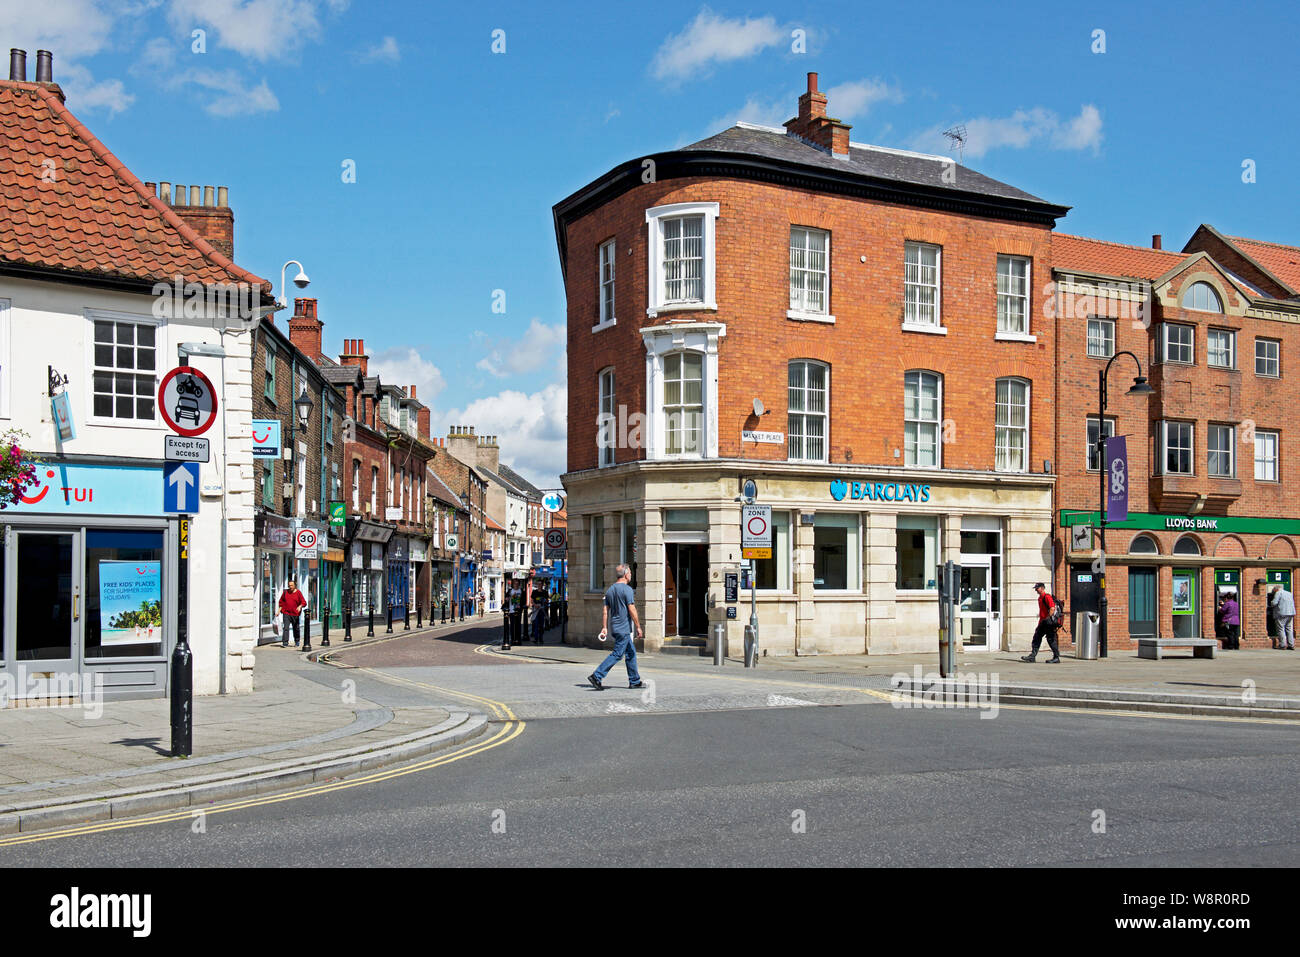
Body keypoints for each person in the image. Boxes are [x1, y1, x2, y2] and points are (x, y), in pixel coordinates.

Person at [589, 563, 645, 690]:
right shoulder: (627, 590)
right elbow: (632, 609)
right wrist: (638, 627)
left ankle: (634, 681)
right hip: (623, 627)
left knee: (630, 653)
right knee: (618, 654)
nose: (631, 575)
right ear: (626, 575)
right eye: (630, 573)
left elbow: (605, 611)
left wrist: (604, 627)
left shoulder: (610, 590)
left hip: (615, 626)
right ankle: (597, 676)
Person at [1020, 582, 1061, 664]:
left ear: (1042, 588)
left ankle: (1056, 657)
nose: (1036, 590)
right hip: (1042, 622)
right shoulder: (1040, 598)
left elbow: (1052, 608)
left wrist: (1048, 619)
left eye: (1037, 588)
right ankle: (1032, 656)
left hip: (1048, 622)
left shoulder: (1047, 597)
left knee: (1051, 639)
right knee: (1036, 637)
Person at [278, 580, 307, 648]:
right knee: (286, 628)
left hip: (295, 614)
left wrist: (300, 606)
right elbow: (281, 602)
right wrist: (278, 611)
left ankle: (297, 641)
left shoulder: (298, 593)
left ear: (295, 586)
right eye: (289, 585)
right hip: (286, 613)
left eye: (291, 585)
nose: (290, 587)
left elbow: (304, 602)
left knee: (296, 628)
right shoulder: (285, 592)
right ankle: (285, 642)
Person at [1270, 584, 1295, 650]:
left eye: (1273, 590)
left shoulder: (1278, 593)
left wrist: (1271, 602)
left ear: (1276, 589)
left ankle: (1282, 645)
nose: (1273, 592)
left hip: (1281, 613)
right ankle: (1291, 645)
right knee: (1289, 629)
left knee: (1281, 629)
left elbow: (1274, 603)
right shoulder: (1289, 593)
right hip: (1290, 613)